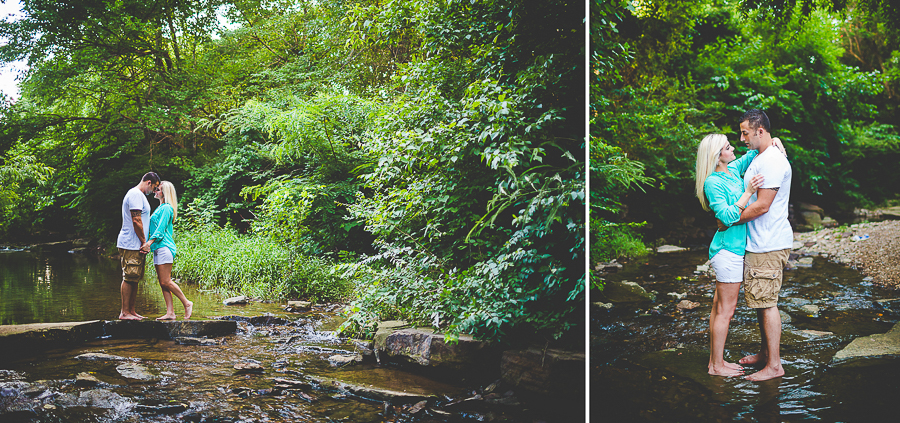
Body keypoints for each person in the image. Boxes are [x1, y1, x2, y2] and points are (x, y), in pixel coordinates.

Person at [731, 109, 793, 382]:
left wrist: (729, 220)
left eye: (745, 133)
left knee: (767, 303)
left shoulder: (772, 161)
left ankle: (775, 366)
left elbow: (762, 206)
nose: (741, 138)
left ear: (760, 131)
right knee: (761, 300)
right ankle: (765, 353)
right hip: (760, 242)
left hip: (769, 243)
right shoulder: (761, 155)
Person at [695, 134, 764, 376]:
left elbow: (753, 153)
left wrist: (774, 139)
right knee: (726, 310)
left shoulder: (732, 170)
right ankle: (717, 366)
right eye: (727, 147)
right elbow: (725, 217)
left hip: (732, 249)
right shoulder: (712, 182)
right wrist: (748, 192)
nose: (733, 147)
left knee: (718, 308)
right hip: (727, 251)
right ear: (717, 156)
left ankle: (715, 362)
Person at [142, 181, 193, 320]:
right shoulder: (160, 208)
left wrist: (149, 242)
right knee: (162, 282)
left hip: (164, 247)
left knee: (166, 281)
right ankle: (170, 312)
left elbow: (160, 229)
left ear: (164, 193)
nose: (155, 191)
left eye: (157, 189)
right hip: (158, 248)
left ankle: (187, 303)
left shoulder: (166, 208)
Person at [116, 172, 160, 320]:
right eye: (154, 187)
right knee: (129, 276)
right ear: (148, 182)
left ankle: (132, 311)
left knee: (135, 277)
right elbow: (136, 220)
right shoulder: (135, 194)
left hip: (137, 244)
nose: (153, 191)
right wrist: (144, 242)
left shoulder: (140, 196)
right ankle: (124, 312)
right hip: (131, 243)